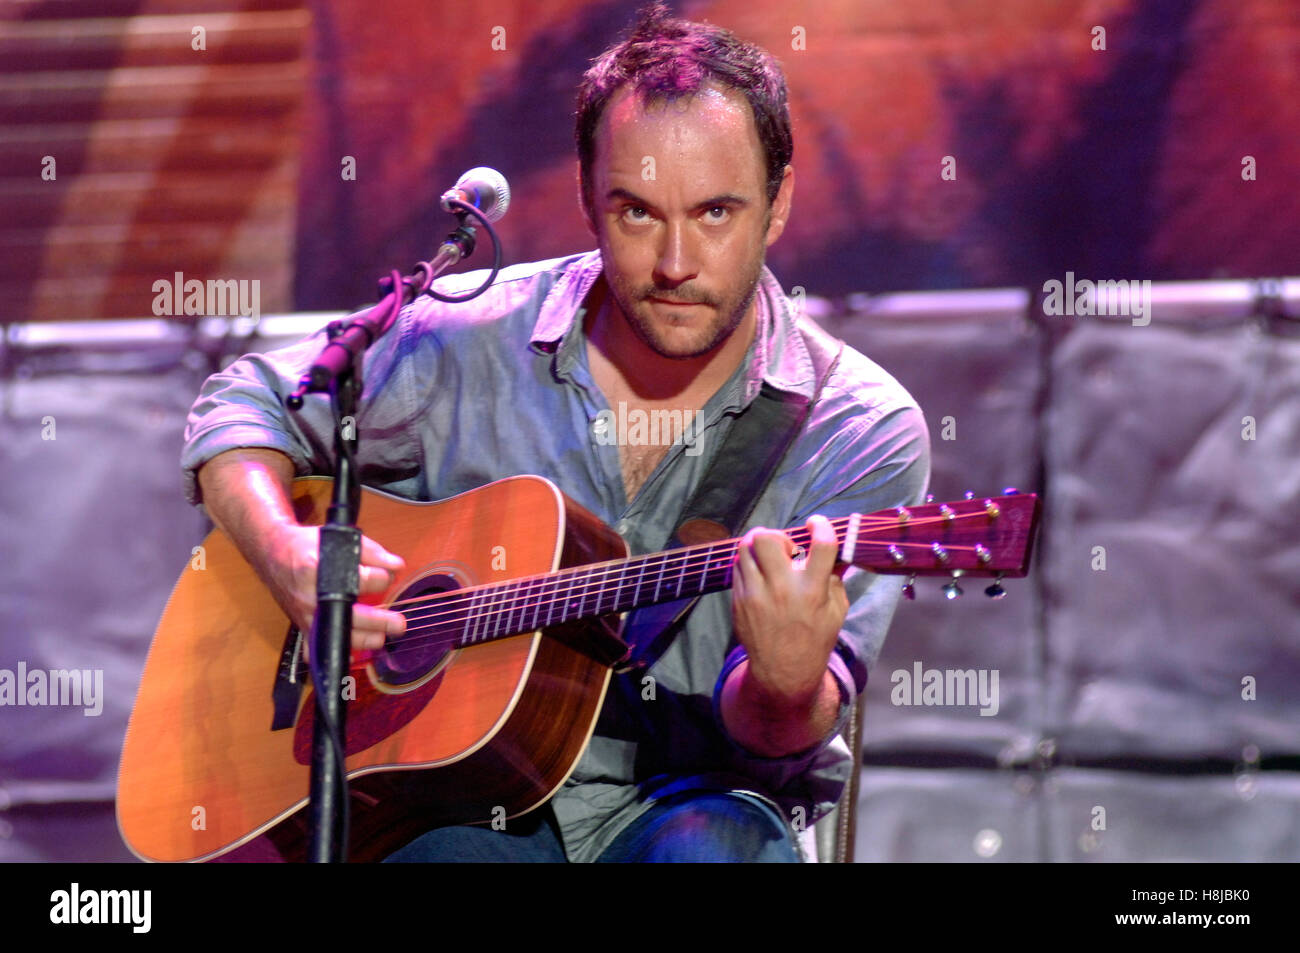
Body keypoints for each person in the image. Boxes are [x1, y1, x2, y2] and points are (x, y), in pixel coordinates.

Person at [181, 2, 929, 862]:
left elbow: (772, 734)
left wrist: (787, 681)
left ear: (779, 201)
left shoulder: (859, 428)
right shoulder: (464, 340)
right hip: (455, 802)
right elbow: (244, 402)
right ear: (585, 198)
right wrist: (285, 552)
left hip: (690, 802)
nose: (676, 262)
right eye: (637, 212)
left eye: (716, 213)